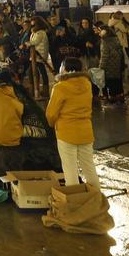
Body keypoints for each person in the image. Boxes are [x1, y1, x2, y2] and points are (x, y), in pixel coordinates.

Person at [47, 58, 100, 189]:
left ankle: (74, 199)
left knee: (70, 170)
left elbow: (51, 114)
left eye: (61, 66)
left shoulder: (60, 87)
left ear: (65, 69)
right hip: (86, 132)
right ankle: (96, 196)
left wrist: (52, 124)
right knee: (89, 167)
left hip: (66, 134)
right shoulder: (87, 84)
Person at [97, 26, 126, 103]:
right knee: (116, 82)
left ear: (104, 32)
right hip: (116, 65)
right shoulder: (115, 39)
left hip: (108, 67)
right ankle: (119, 97)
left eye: (100, 31)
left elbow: (104, 56)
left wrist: (101, 67)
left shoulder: (105, 41)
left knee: (109, 83)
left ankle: (111, 99)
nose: (99, 33)